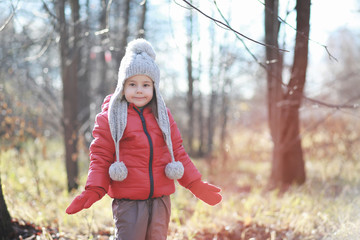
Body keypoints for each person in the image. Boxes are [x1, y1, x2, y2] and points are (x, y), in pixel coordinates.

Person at [65, 38, 222, 240]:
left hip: (160, 200)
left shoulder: (163, 116)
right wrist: (94, 189)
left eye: (146, 84)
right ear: (122, 86)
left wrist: (195, 184)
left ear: (154, 87)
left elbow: (177, 151)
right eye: (132, 84)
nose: (139, 90)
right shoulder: (109, 118)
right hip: (129, 202)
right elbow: (101, 157)